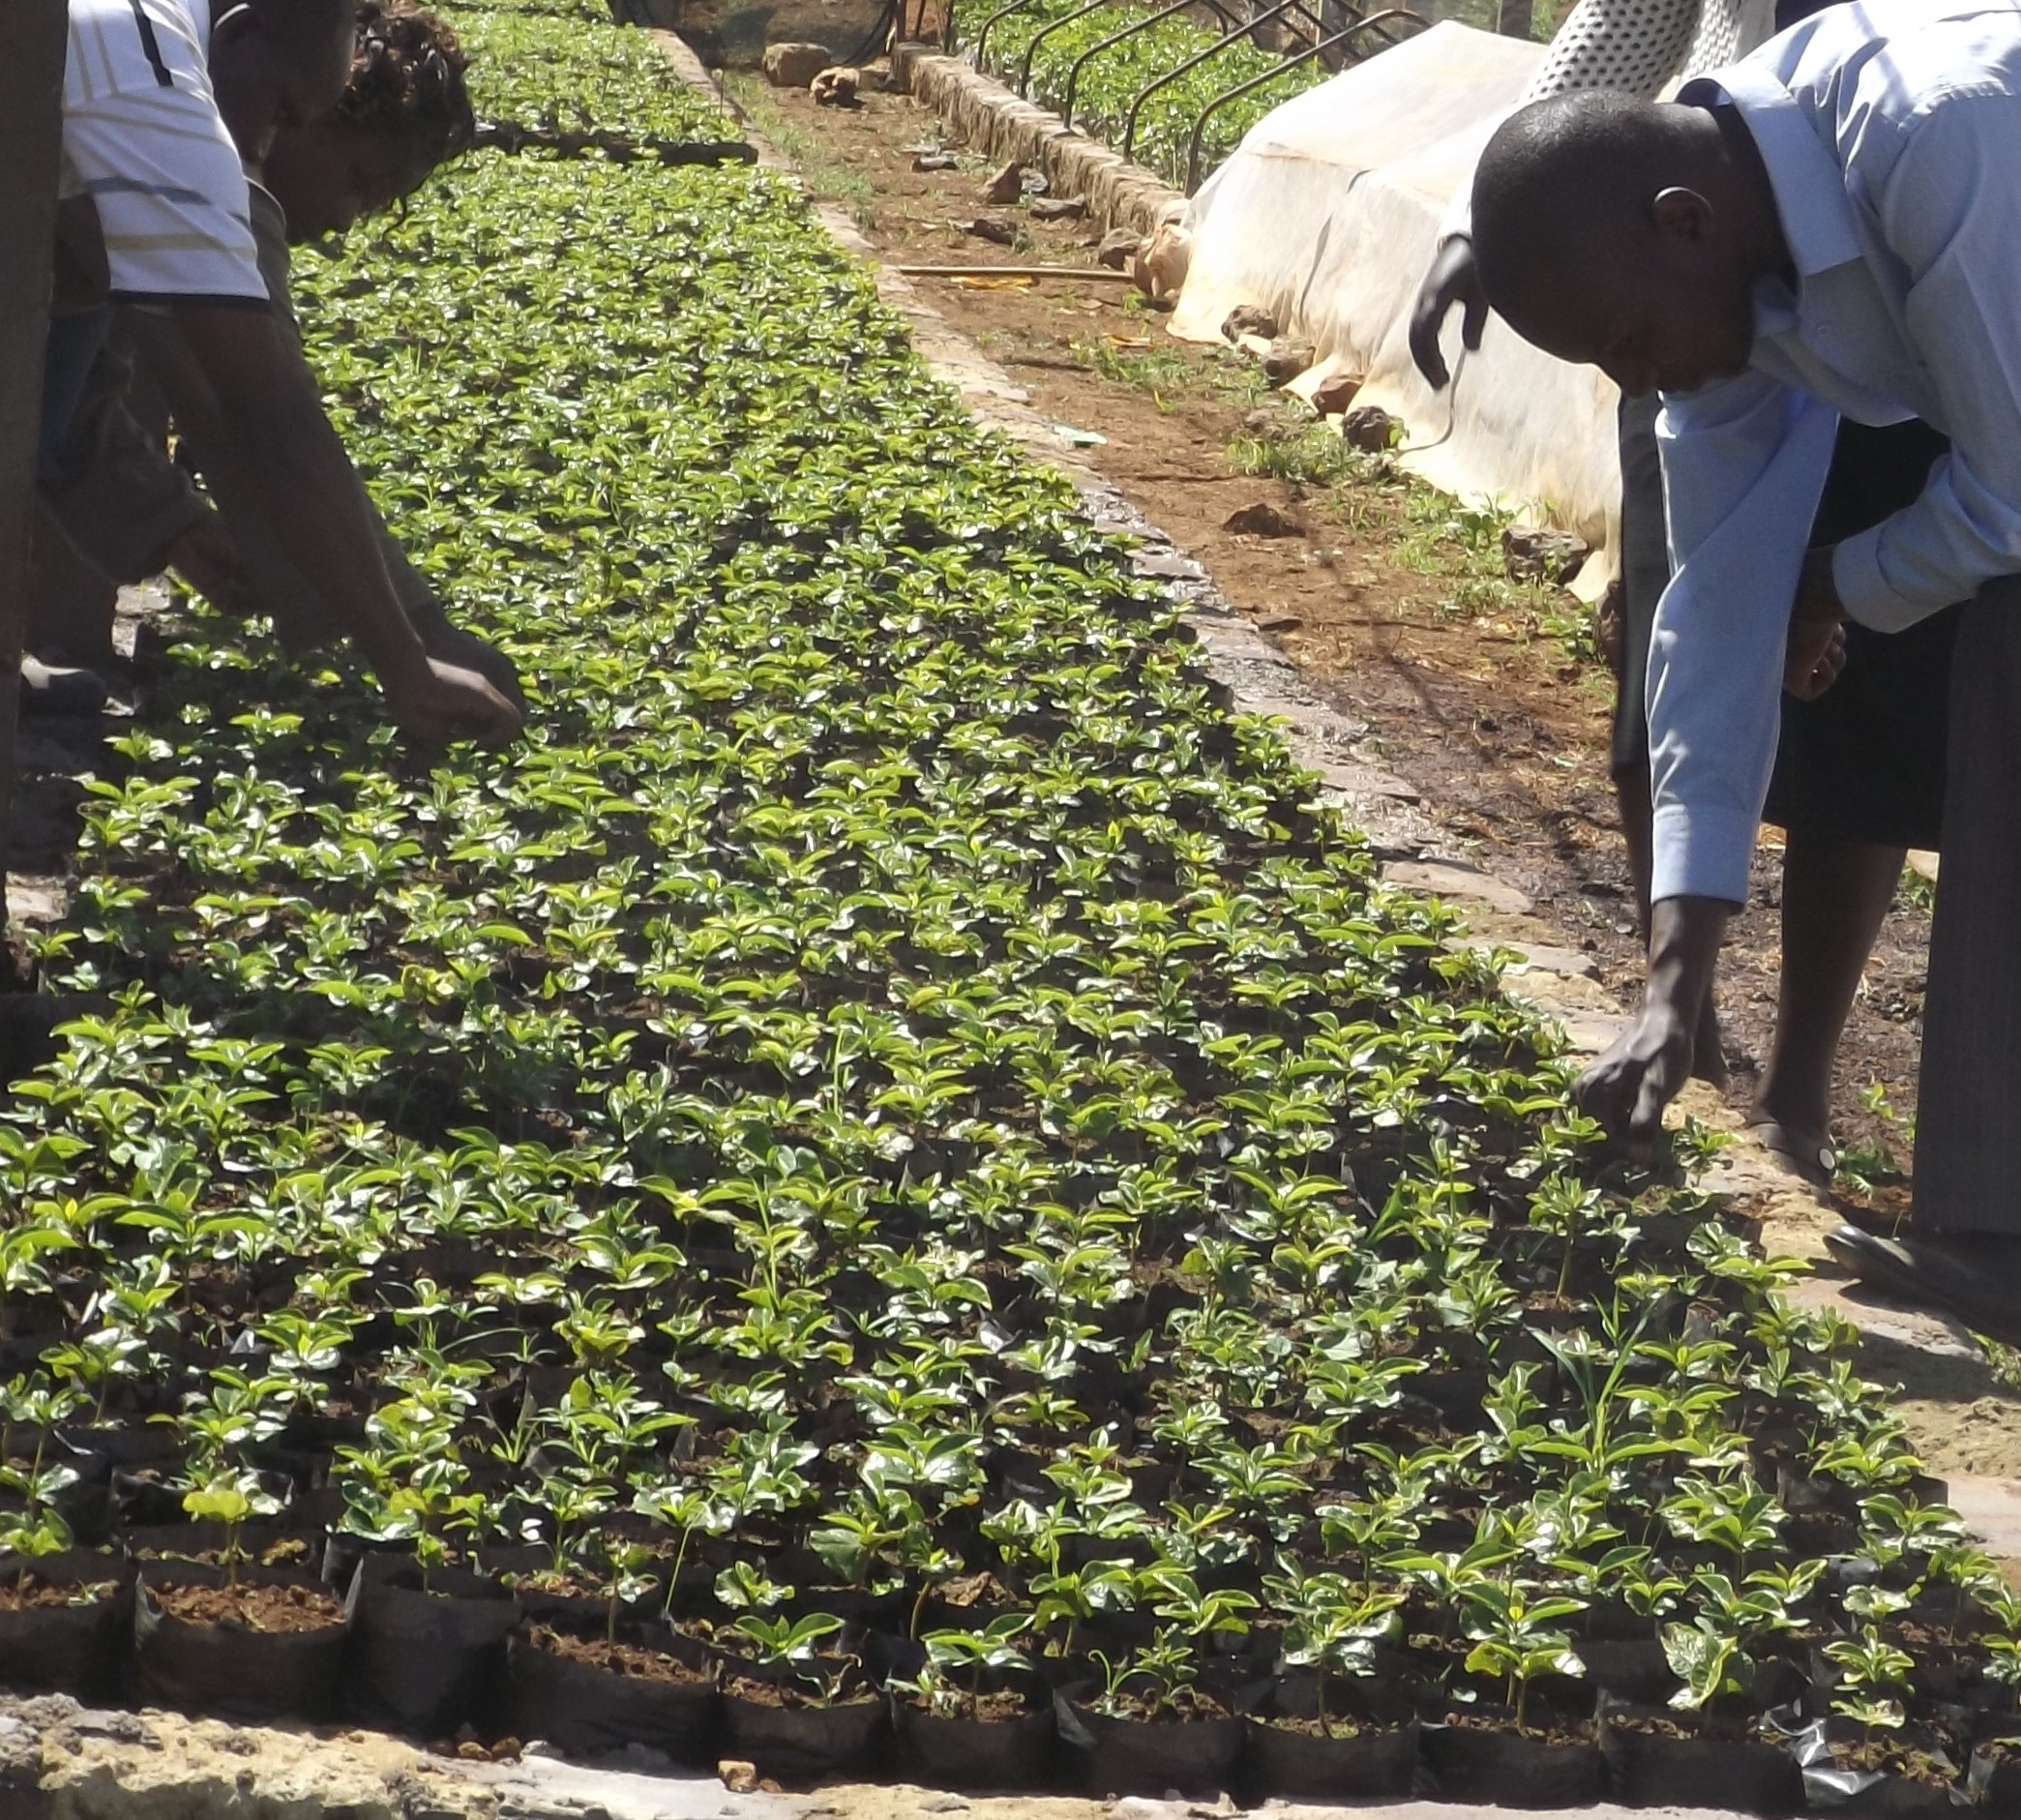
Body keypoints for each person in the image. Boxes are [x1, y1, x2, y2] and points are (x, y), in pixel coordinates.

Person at [1463, 0, 2021, 1332]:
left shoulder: (1935, 139)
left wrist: (1833, 584)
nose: (1638, 378)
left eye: (1629, 346)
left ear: (1681, 222)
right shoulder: (1735, 252)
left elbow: (2008, 499)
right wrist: (1671, 988)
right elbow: (1713, 621)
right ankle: (1995, 1228)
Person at [45, 0, 520, 747]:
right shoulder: (158, 88)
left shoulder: (177, 59)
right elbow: (264, 410)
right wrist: (410, 655)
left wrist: (171, 525)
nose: (340, 220)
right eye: (284, 113)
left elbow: (57, 390)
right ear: (241, 36)